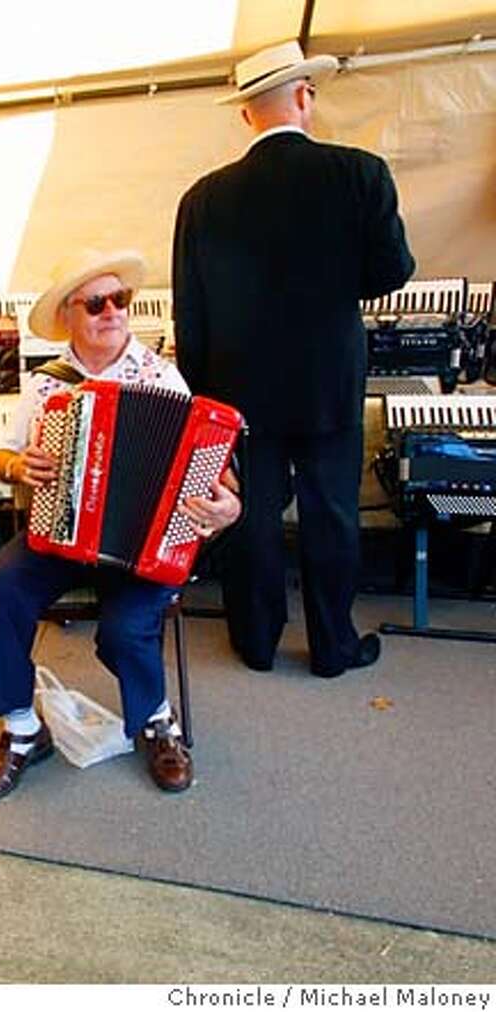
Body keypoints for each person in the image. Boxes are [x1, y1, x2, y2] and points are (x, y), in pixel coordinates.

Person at [172, 40, 416, 678]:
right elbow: (393, 270)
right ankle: (333, 647)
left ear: (245, 114)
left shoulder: (202, 198)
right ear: (305, 97)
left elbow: (189, 313)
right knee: (332, 513)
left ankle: (255, 641)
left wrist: (201, 397)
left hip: (237, 388)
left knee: (251, 515)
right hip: (327, 380)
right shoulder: (361, 174)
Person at [0, 248, 241, 802]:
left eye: (120, 299)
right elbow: (0, 453)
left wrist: (228, 507)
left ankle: (157, 720)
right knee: (1, 586)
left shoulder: (161, 377)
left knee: (124, 628)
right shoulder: (47, 384)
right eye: (96, 304)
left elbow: (220, 473)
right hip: (60, 531)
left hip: (146, 543)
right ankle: (22, 730)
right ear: (68, 315)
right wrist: (17, 466)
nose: (112, 311)